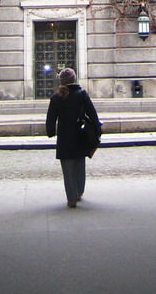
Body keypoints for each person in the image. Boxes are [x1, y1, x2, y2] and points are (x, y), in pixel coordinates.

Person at [46, 68, 102, 207]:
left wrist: (51, 132)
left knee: (67, 168)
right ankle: (79, 192)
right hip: (80, 134)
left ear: (61, 81)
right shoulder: (81, 94)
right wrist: (97, 129)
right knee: (79, 165)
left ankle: (71, 198)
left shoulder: (56, 97)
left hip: (64, 137)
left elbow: (51, 118)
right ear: (74, 79)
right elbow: (92, 113)